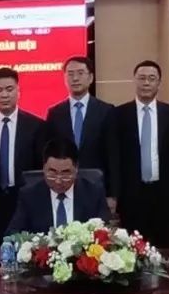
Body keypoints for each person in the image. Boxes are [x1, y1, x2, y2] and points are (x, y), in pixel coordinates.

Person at [112, 60, 169, 248]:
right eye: (142, 78)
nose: (146, 83)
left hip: (165, 195)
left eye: (151, 78)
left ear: (159, 82)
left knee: (166, 250)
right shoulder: (119, 114)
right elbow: (115, 157)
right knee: (132, 250)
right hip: (131, 195)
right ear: (134, 80)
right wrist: (114, 193)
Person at [0, 67, 46, 248]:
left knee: (25, 251)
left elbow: (41, 168)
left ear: (18, 91)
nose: (4, 95)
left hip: (25, 198)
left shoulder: (35, 125)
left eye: (9, 89)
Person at [45, 56, 118, 213]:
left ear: (90, 77)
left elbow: (113, 155)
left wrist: (112, 193)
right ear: (65, 79)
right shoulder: (55, 113)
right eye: (70, 74)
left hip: (96, 187)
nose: (75, 78)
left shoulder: (106, 111)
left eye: (80, 73)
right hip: (62, 188)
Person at [7, 138, 111, 234]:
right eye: (52, 172)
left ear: (76, 169)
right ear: (44, 168)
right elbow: (13, 233)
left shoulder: (94, 194)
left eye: (65, 173)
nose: (58, 181)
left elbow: (106, 232)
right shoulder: (29, 196)